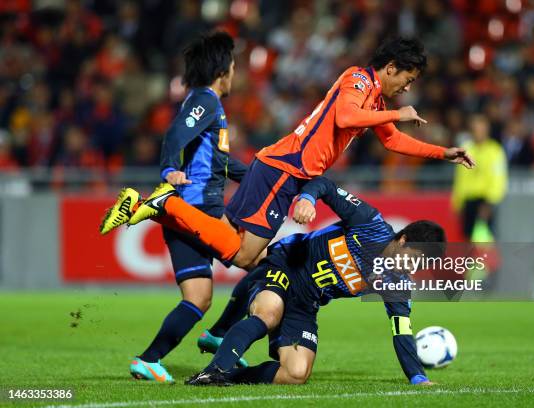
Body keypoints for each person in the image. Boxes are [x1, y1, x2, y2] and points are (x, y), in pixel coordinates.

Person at [120, 36, 472, 271]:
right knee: (245, 255)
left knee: (234, 244)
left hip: (282, 167)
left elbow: (393, 142)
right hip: (285, 169)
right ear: (391, 67)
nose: (407, 88)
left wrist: (444, 153)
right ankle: (165, 205)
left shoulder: (375, 101)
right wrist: (400, 113)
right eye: (407, 79)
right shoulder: (359, 80)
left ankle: (154, 210)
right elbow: (346, 116)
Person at [183, 176, 446, 386]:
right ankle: (214, 370)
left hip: (307, 302)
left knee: (296, 374)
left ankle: (229, 377)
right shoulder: (370, 225)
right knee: (269, 313)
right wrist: (308, 198)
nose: (414, 267)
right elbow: (326, 185)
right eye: (415, 258)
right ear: (403, 240)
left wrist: (418, 378)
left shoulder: (396, 284)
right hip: (286, 265)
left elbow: (401, 331)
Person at [99, 31, 248, 383]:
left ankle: (149, 360)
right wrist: (168, 169)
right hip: (198, 210)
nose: (235, 72)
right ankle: (221, 335)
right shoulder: (206, 101)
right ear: (223, 69)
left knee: (198, 297)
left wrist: (265, 176)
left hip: (188, 213)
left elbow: (223, 165)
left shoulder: (205, 102)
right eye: (234, 65)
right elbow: (176, 134)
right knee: (261, 262)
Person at [451, 114, 507, 241]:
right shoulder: (466, 148)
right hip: (467, 201)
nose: (478, 133)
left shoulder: (495, 150)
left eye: (481, 129)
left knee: (484, 240)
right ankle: (472, 261)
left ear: (487, 130)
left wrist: (490, 202)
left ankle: (484, 261)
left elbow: (499, 179)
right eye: (475, 130)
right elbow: (460, 178)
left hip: (485, 202)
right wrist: (457, 203)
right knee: (467, 239)